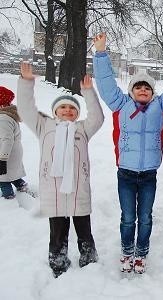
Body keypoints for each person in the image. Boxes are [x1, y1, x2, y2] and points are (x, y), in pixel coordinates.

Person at [92, 33, 163, 274]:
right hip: (125, 173)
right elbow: (105, 83)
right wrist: (101, 53)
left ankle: (141, 253)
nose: (143, 89)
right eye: (138, 86)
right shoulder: (121, 105)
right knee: (128, 217)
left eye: (147, 87)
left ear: (153, 92)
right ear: (131, 91)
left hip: (148, 175)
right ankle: (127, 251)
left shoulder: (162, 106)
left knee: (145, 218)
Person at [17, 63, 104, 278]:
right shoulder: (44, 126)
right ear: (55, 111)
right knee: (57, 233)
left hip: (78, 191)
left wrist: (88, 92)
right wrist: (27, 83)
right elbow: (26, 109)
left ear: (77, 114)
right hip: (54, 192)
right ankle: (58, 262)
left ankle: (89, 260)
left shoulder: (83, 129)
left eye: (72, 108)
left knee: (84, 231)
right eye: (63, 108)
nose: (67, 111)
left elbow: (98, 118)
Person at [0, 86, 29, 200]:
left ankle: (8, 196)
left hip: (6, 153)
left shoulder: (2, 118)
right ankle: (22, 186)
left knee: (2, 177)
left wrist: (2, 159)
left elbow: (7, 140)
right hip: (13, 152)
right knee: (12, 173)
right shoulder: (7, 115)